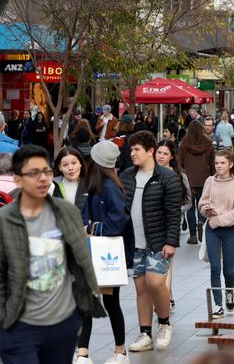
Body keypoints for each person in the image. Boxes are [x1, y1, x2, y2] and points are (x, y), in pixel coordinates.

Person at [0, 145, 105, 364]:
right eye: (33, 173)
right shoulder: (4, 220)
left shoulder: (66, 212)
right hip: (20, 325)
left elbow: (81, 260)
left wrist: (80, 308)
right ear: (18, 180)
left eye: (46, 171)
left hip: (61, 324)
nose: (42, 178)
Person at [120, 130, 181, 352]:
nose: (132, 153)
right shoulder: (126, 175)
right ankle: (145, 333)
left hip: (158, 242)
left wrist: (171, 241)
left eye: (137, 149)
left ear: (150, 151)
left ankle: (164, 323)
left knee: (156, 283)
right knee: (141, 288)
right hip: (134, 243)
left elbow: (174, 212)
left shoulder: (166, 177)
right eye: (131, 149)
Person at [76, 141, 131, 364]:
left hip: (105, 252)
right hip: (98, 252)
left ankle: (120, 351)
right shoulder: (103, 184)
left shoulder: (108, 187)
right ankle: (83, 353)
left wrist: (91, 228)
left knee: (109, 303)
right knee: (89, 301)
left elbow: (119, 219)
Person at [198, 150, 234, 318]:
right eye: (217, 163)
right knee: (215, 268)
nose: (218, 166)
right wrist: (205, 209)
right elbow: (202, 202)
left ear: (230, 165)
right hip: (212, 230)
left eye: (222, 163)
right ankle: (218, 305)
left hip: (230, 230)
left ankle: (229, 291)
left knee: (228, 270)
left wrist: (217, 220)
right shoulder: (210, 181)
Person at [156, 140, 192, 312]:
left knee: (167, 262)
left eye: (165, 154)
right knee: (157, 263)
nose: (161, 157)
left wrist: (175, 210)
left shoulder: (179, 175)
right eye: (159, 153)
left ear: (172, 156)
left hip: (171, 223)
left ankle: (165, 300)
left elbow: (188, 201)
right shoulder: (149, 173)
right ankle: (167, 296)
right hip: (152, 223)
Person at [178, 120, 216, 245]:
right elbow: (212, 163)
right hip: (204, 179)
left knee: (190, 208)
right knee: (203, 205)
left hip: (188, 180)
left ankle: (193, 234)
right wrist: (213, 177)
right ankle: (201, 221)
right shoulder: (208, 143)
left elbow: (180, 163)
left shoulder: (184, 144)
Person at [51, 147, 87, 211]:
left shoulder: (90, 183)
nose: (70, 168)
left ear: (80, 163)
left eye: (74, 163)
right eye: (65, 165)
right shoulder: (52, 186)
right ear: (60, 167)